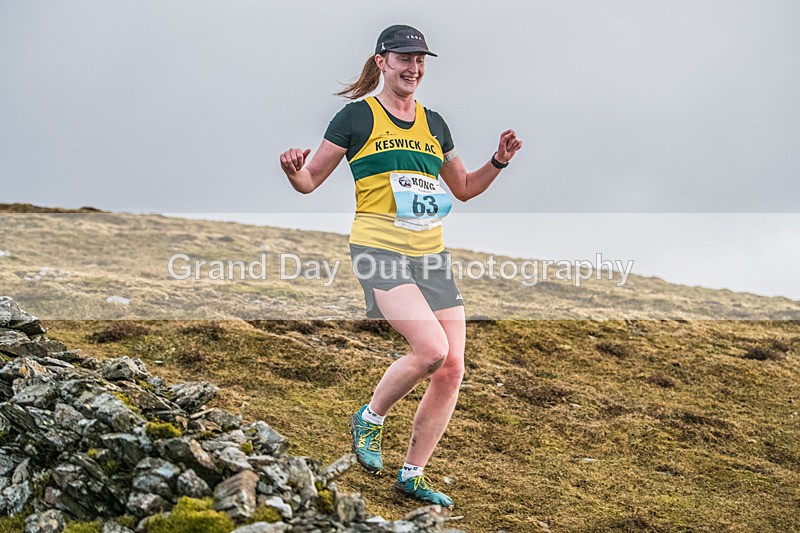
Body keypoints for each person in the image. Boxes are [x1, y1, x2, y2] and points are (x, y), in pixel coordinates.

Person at [279, 24, 522, 509]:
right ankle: (369, 418)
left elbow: (465, 188)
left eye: (420, 61)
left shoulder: (435, 124)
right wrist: (292, 170)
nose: (413, 68)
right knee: (430, 348)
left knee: (452, 366)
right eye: (404, 59)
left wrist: (498, 161)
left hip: (430, 256)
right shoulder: (356, 118)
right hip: (379, 250)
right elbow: (310, 182)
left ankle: (412, 474)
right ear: (382, 61)